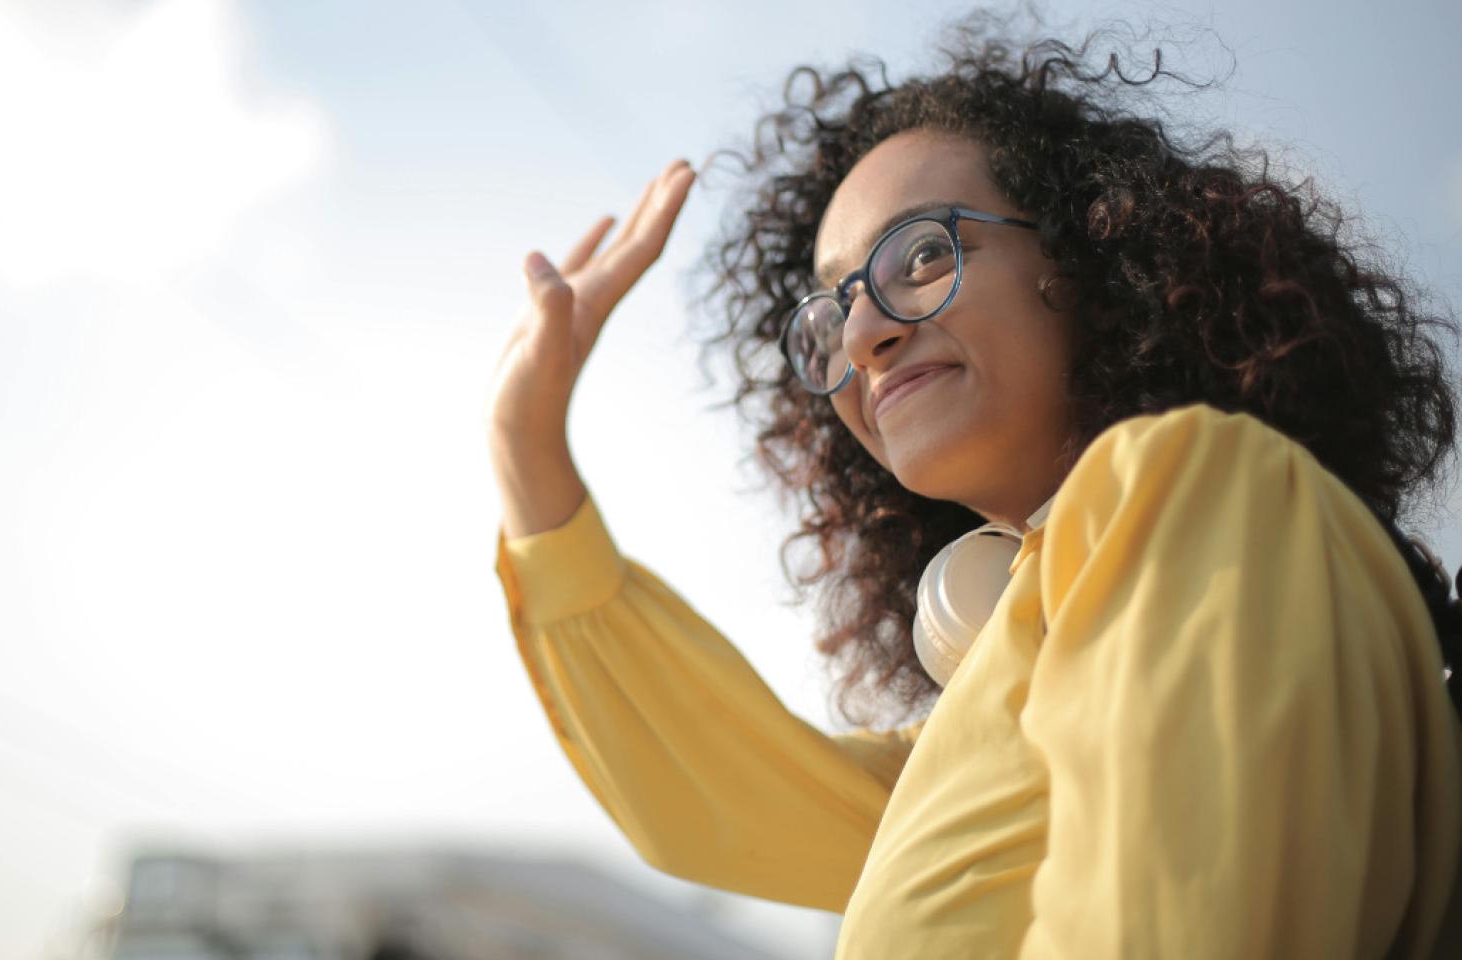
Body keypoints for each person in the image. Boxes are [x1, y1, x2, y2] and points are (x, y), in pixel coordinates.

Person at [485, 12, 1462, 957]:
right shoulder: (993, 716)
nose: (863, 334)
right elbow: (712, 799)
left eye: (920, 254)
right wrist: (524, 446)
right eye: (829, 312)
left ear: (1085, 255)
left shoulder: (1200, 483)